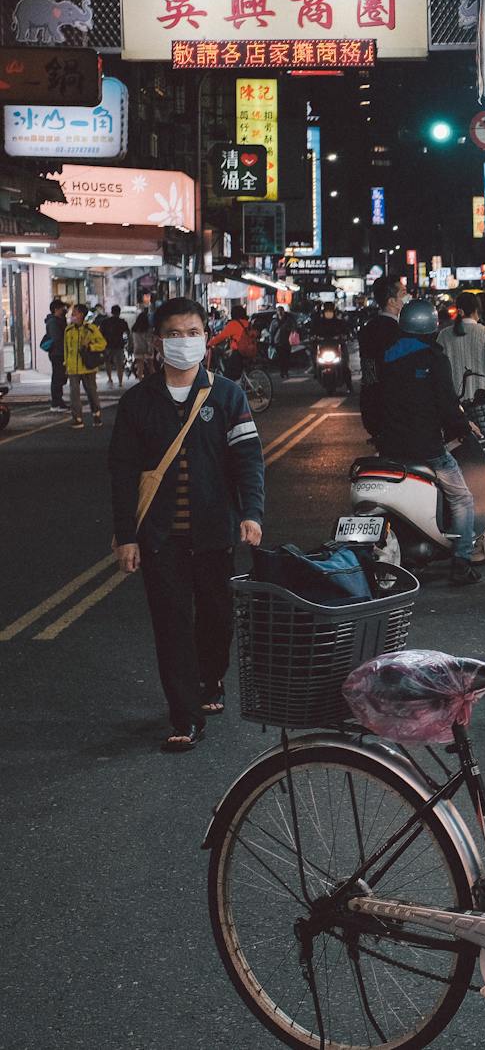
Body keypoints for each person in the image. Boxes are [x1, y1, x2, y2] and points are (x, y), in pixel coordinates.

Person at [108, 296, 264, 752]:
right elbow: (121, 472)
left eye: (192, 333)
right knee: (171, 625)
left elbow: (249, 461)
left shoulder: (228, 395)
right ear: (159, 343)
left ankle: (210, 677)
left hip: (215, 533)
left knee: (216, 618)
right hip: (160, 538)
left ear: (206, 338)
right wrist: (126, 535)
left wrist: (252, 512)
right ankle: (185, 716)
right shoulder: (138, 402)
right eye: (174, 334)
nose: (183, 342)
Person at [372, 299, 482, 586]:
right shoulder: (434, 358)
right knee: (462, 498)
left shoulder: (383, 357)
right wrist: (461, 427)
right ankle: (462, 560)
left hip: (390, 449)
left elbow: (370, 398)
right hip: (428, 450)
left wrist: (379, 432)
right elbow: (447, 405)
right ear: (431, 328)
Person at [438, 291, 485, 405]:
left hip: (454, 402)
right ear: (477, 310)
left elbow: (439, 369)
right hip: (484, 400)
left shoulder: (444, 335)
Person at [357, 276, 406, 427]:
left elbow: (368, 368)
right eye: (403, 294)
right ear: (391, 301)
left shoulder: (368, 329)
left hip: (371, 403)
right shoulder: (399, 331)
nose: (407, 298)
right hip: (396, 407)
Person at [63, 303, 108, 428]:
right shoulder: (68, 330)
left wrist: (90, 347)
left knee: (92, 392)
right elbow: (66, 349)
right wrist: (66, 364)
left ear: (81, 314)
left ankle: (96, 414)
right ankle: (77, 418)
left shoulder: (91, 329)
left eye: (74, 313)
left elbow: (103, 344)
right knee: (74, 395)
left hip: (88, 367)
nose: (72, 316)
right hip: (73, 368)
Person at [209, 305, 259, 380]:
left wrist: (209, 343)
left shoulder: (233, 324)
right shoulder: (247, 323)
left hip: (238, 353)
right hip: (250, 350)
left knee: (228, 377)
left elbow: (221, 337)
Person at [42, 299, 68, 410]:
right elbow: (57, 338)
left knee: (59, 377)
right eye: (62, 308)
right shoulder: (53, 322)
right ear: (56, 309)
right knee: (58, 377)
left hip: (59, 353)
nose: (64, 310)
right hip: (57, 353)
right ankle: (56, 402)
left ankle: (57, 401)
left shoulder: (58, 320)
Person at [99, 305, 130, 388]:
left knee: (108, 362)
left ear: (111, 312)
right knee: (119, 364)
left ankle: (110, 379)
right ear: (119, 312)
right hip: (119, 345)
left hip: (107, 345)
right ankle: (120, 382)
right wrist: (128, 344)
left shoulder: (105, 322)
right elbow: (127, 333)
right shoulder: (122, 322)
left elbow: (100, 333)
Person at [130, 307, 158, 379]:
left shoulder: (134, 329)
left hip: (138, 349)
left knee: (140, 367)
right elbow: (149, 340)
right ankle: (154, 380)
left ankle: (140, 382)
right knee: (151, 366)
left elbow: (133, 340)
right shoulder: (148, 329)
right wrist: (150, 349)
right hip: (147, 349)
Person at [270, 304, 296, 379]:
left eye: (281, 311)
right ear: (277, 312)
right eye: (279, 311)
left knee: (287, 358)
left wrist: (290, 330)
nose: (280, 312)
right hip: (278, 342)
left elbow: (293, 328)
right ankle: (282, 371)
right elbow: (271, 332)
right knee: (281, 358)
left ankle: (286, 371)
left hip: (287, 342)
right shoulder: (274, 321)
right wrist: (271, 341)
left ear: (284, 311)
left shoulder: (288, 320)